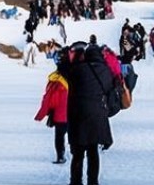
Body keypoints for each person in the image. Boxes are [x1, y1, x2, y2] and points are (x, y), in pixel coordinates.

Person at [63, 43, 115, 185]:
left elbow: (65, 74)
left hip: (78, 114)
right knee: (93, 151)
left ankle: (75, 181)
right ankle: (93, 181)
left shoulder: (77, 70)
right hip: (97, 115)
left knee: (78, 153)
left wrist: (69, 57)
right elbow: (110, 88)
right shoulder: (105, 71)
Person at [34, 63, 71, 164]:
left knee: (59, 136)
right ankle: (76, 152)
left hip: (60, 115)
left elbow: (48, 100)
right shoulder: (78, 79)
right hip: (74, 113)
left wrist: (41, 114)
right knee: (74, 134)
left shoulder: (56, 82)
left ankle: (60, 156)